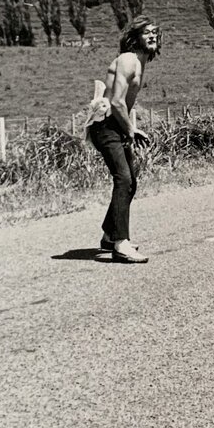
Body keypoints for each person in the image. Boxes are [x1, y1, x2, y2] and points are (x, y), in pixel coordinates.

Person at [86, 15, 161, 263]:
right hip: (106, 124)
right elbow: (117, 101)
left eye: (155, 33)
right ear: (135, 37)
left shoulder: (140, 62)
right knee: (124, 179)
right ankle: (120, 244)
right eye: (147, 32)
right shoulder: (129, 59)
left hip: (116, 125)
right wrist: (130, 130)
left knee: (131, 182)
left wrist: (127, 129)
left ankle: (110, 235)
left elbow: (124, 104)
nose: (152, 36)